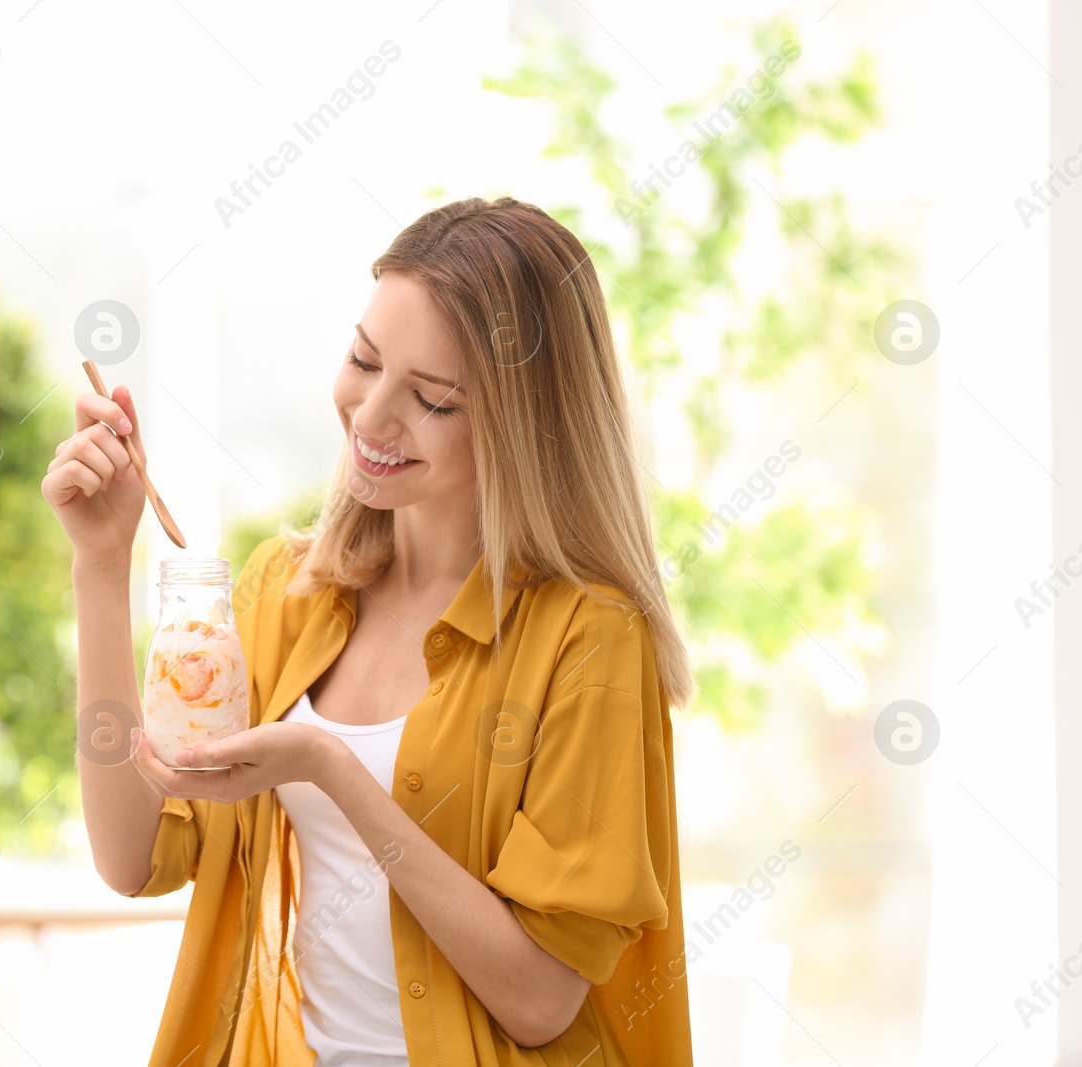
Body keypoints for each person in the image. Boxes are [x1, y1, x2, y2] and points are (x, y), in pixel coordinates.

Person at [44, 196, 694, 1065]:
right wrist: (99, 563)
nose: (371, 416)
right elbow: (132, 855)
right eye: (363, 359)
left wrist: (331, 768)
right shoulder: (285, 591)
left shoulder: (589, 639)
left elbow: (541, 998)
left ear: (524, 423)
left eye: (433, 400)